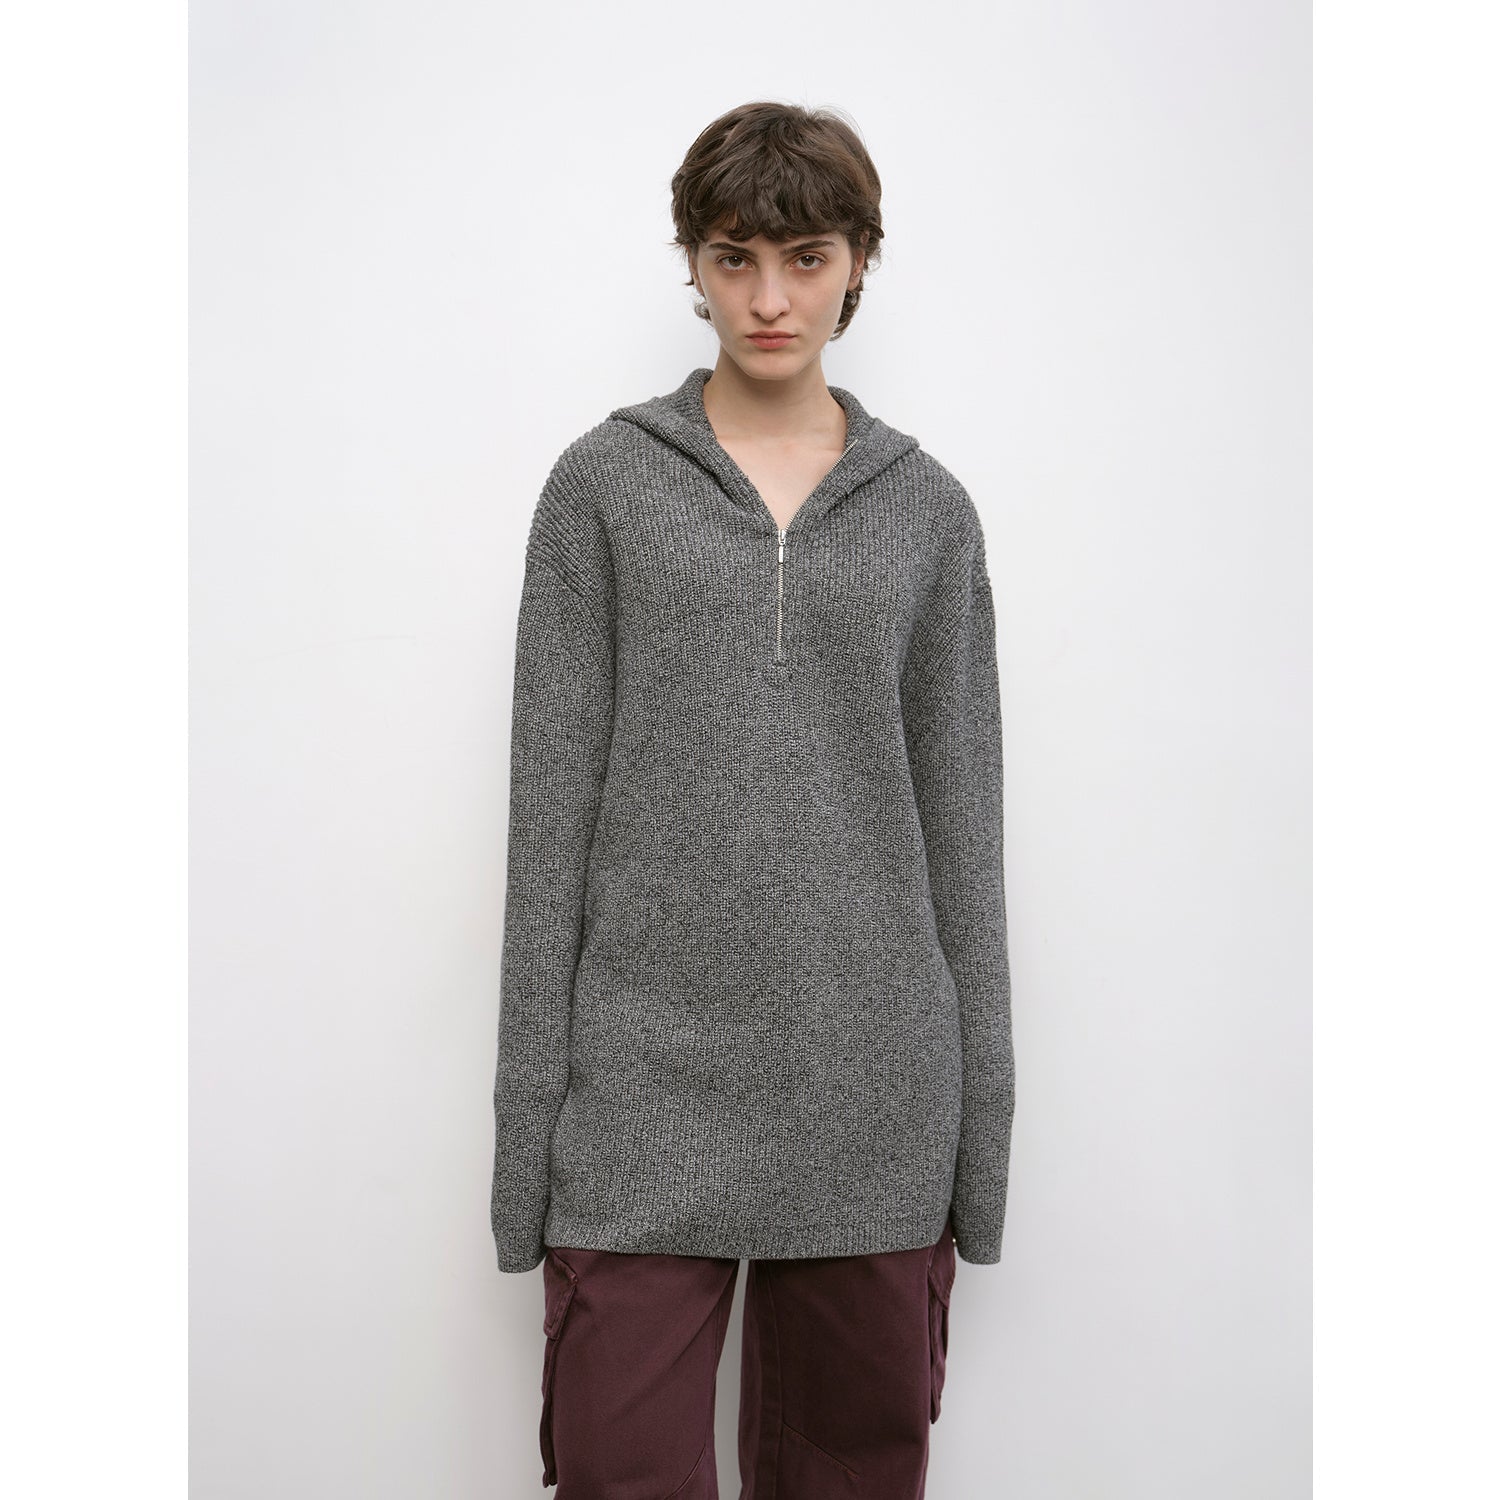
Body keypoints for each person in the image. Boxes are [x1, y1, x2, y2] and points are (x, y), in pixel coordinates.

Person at [491, 100, 1015, 1498]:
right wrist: (525, 1148)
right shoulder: (603, 489)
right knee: (617, 1470)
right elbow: (547, 837)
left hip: (873, 1095)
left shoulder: (929, 514)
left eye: (806, 257)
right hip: (639, 1095)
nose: (770, 298)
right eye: (735, 258)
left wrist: (982, 1149)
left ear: (859, 263)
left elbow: (966, 843)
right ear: (694, 265)